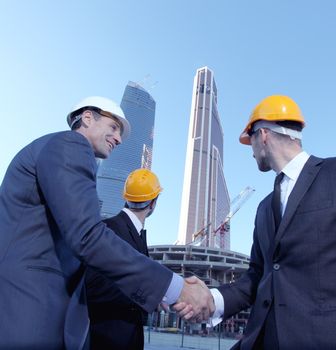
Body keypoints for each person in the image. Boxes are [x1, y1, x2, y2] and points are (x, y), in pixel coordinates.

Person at [0, 96, 214, 350]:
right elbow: (89, 236)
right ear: (88, 117)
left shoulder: (55, 151)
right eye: (113, 127)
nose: (119, 139)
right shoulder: (71, 145)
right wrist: (173, 287)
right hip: (31, 313)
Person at [175, 95, 336, 349]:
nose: (251, 151)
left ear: (263, 135)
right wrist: (213, 299)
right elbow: (257, 277)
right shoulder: (264, 207)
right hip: (264, 340)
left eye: (251, 142)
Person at [86, 168, 163, 350]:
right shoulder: (109, 229)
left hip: (128, 338)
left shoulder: (134, 233)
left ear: (125, 197)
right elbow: (92, 286)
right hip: (106, 339)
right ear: (153, 203)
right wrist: (148, 294)